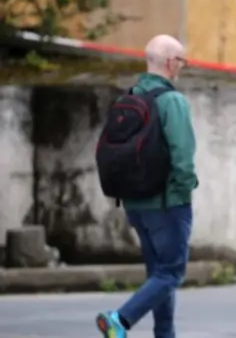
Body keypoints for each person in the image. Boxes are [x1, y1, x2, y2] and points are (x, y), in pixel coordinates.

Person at [95, 34, 198, 338]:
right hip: (167, 204)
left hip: (135, 203)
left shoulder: (128, 98)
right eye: (181, 60)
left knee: (159, 274)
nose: (182, 66)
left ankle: (164, 334)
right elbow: (183, 158)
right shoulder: (172, 101)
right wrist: (182, 194)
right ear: (170, 62)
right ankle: (119, 320)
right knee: (172, 272)